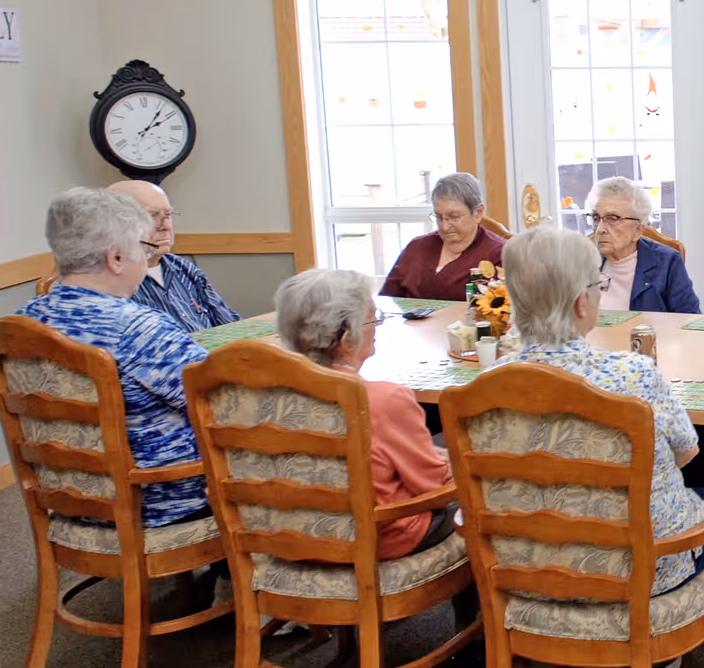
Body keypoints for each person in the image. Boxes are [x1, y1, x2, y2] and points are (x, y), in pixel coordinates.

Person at [496, 225, 704, 668]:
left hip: (531, 567)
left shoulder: (487, 386)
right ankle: (657, 651)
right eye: (598, 289)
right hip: (636, 569)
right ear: (583, 304)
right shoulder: (633, 375)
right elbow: (688, 454)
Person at [17, 188, 211, 527]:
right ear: (116, 258)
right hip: (163, 499)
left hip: (70, 499)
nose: (147, 259)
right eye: (144, 249)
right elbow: (226, 400)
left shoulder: (22, 323)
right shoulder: (138, 328)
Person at [273, 268, 454, 561]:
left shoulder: (269, 398)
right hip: (377, 540)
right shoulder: (384, 400)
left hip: (294, 539)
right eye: (373, 319)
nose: (377, 326)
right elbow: (431, 484)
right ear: (346, 340)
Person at [108, 180, 240, 332]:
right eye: (152, 216)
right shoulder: (115, 279)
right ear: (116, 224)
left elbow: (232, 327)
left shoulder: (183, 268)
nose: (166, 226)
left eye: (168, 215)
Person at [380, 172, 507, 301]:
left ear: (478, 213)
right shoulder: (417, 247)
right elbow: (386, 300)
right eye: (439, 217)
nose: (444, 226)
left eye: (454, 217)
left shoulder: (499, 254)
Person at [585, 176, 699, 314]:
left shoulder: (667, 262)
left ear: (638, 230)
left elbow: (689, 318)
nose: (600, 229)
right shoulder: (581, 260)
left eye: (613, 219)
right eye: (596, 218)